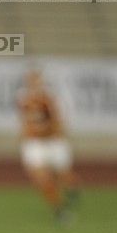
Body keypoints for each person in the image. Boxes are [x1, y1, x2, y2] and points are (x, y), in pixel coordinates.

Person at [18, 70, 79, 222]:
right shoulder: (23, 99)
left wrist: (45, 130)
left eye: (36, 81)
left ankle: (72, 190)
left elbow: (60, 123)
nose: (33, 85)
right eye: (30, 81)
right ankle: (60, 210)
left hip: (53, 142)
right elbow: (25, 123)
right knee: (41, 178)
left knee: (65, 177)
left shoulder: (51, 99)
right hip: (34, 144)